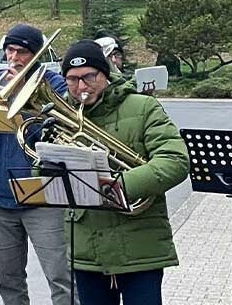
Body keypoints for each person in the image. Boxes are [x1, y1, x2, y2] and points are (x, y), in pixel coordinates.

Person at [57, 40, 189, 305]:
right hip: (87, 247)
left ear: (105, 74)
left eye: (88, 77)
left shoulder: (143, 107)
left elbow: (175, 160)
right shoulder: (63, 116)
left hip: (139, 243)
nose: (81, 87)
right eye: (72, 80)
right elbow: (47, 175)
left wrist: (116, 185)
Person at [0, 24, 73, 305]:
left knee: (61, 278)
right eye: (10, 50)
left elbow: (54, 138)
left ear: (35, 54)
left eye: (22, 52)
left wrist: (24, 101)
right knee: (9, 282)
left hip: (43, 195)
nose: (14, 57)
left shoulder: (53, 85)